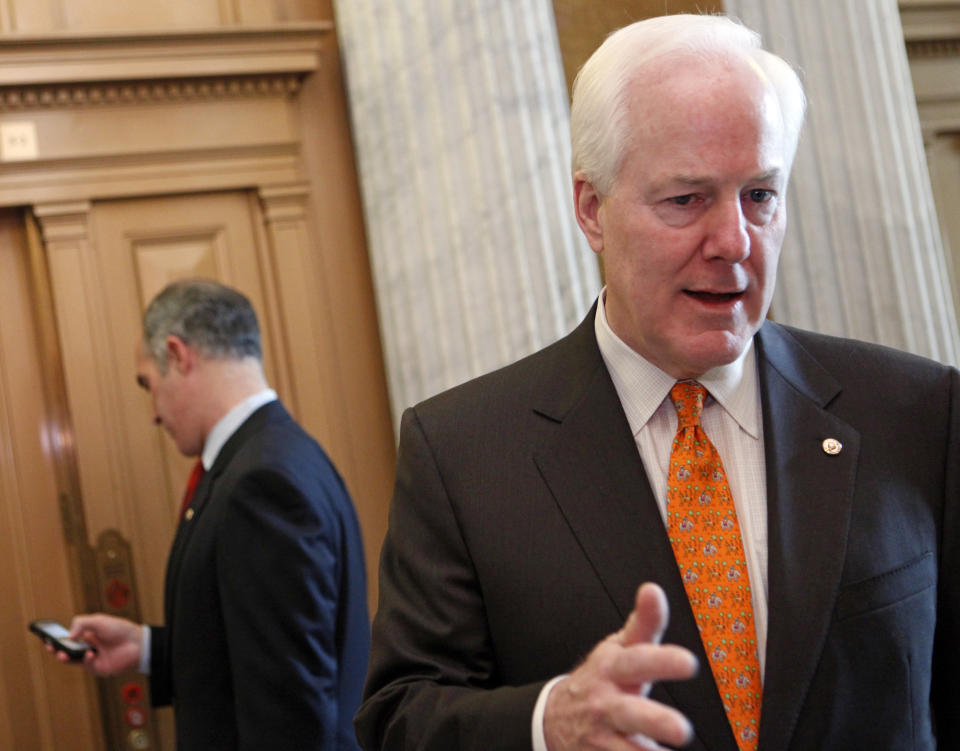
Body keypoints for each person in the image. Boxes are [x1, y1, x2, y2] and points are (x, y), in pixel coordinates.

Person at [355, 13, 959, 751]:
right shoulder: (462, 454)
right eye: (687, 200)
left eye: (760, 195)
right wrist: (549, 722)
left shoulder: (917, 412)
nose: (734, 240)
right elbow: (399, 717)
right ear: (591, 210)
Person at [54, 279, 370, 750]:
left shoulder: (262, 485)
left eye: (148, 384)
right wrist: (143, 648)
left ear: (178, 355)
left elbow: (290, 711)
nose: (153, 415)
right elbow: (250, 653)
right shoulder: (273, 457)